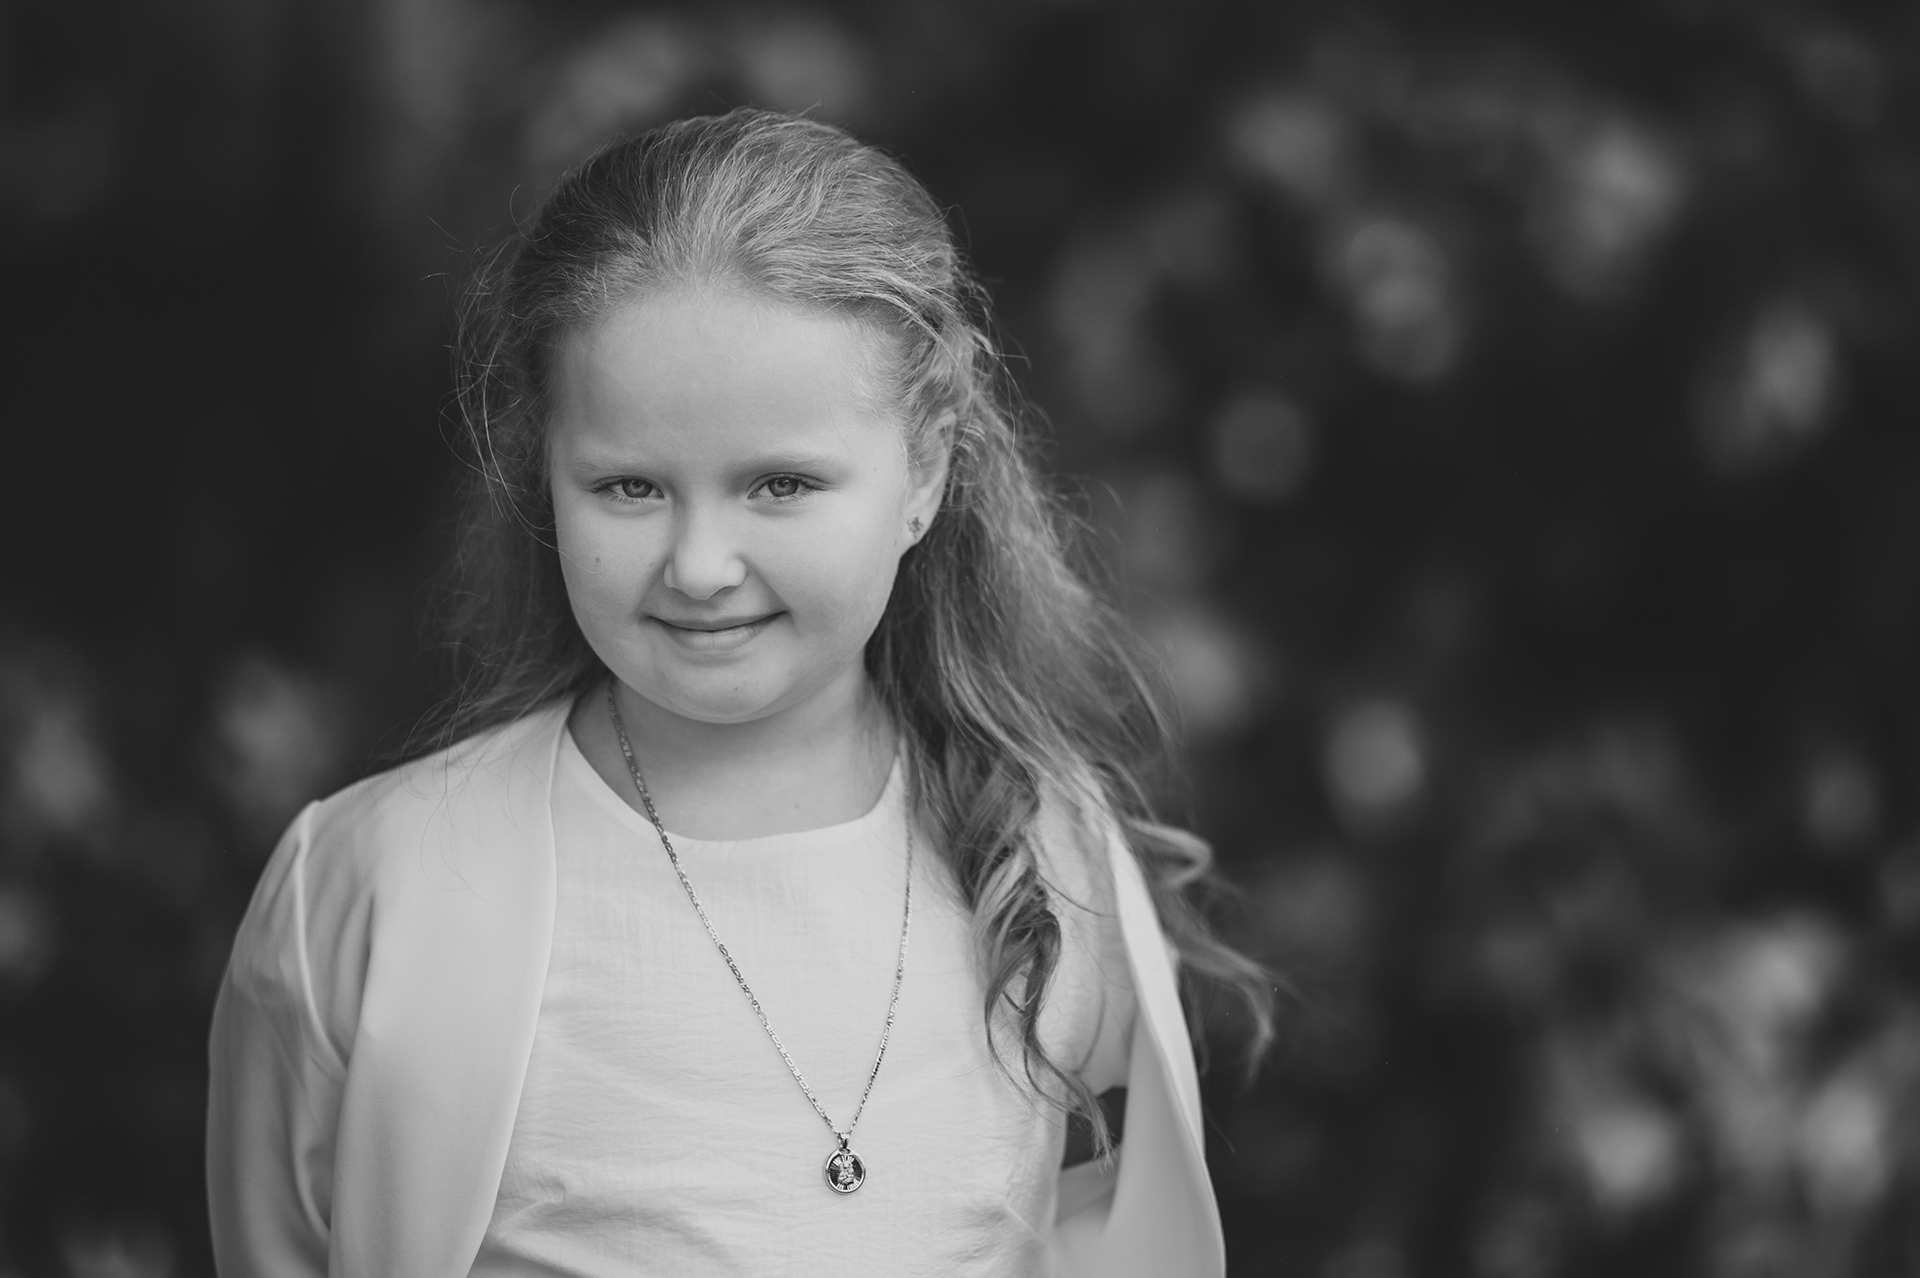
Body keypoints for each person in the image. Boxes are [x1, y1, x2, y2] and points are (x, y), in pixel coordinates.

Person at [206, 107, 1270, 1278]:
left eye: (780, 484)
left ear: (925, 467)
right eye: (629, 487)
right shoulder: (372, 884)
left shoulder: (1045, 867)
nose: (701, 565)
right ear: (542, 467)